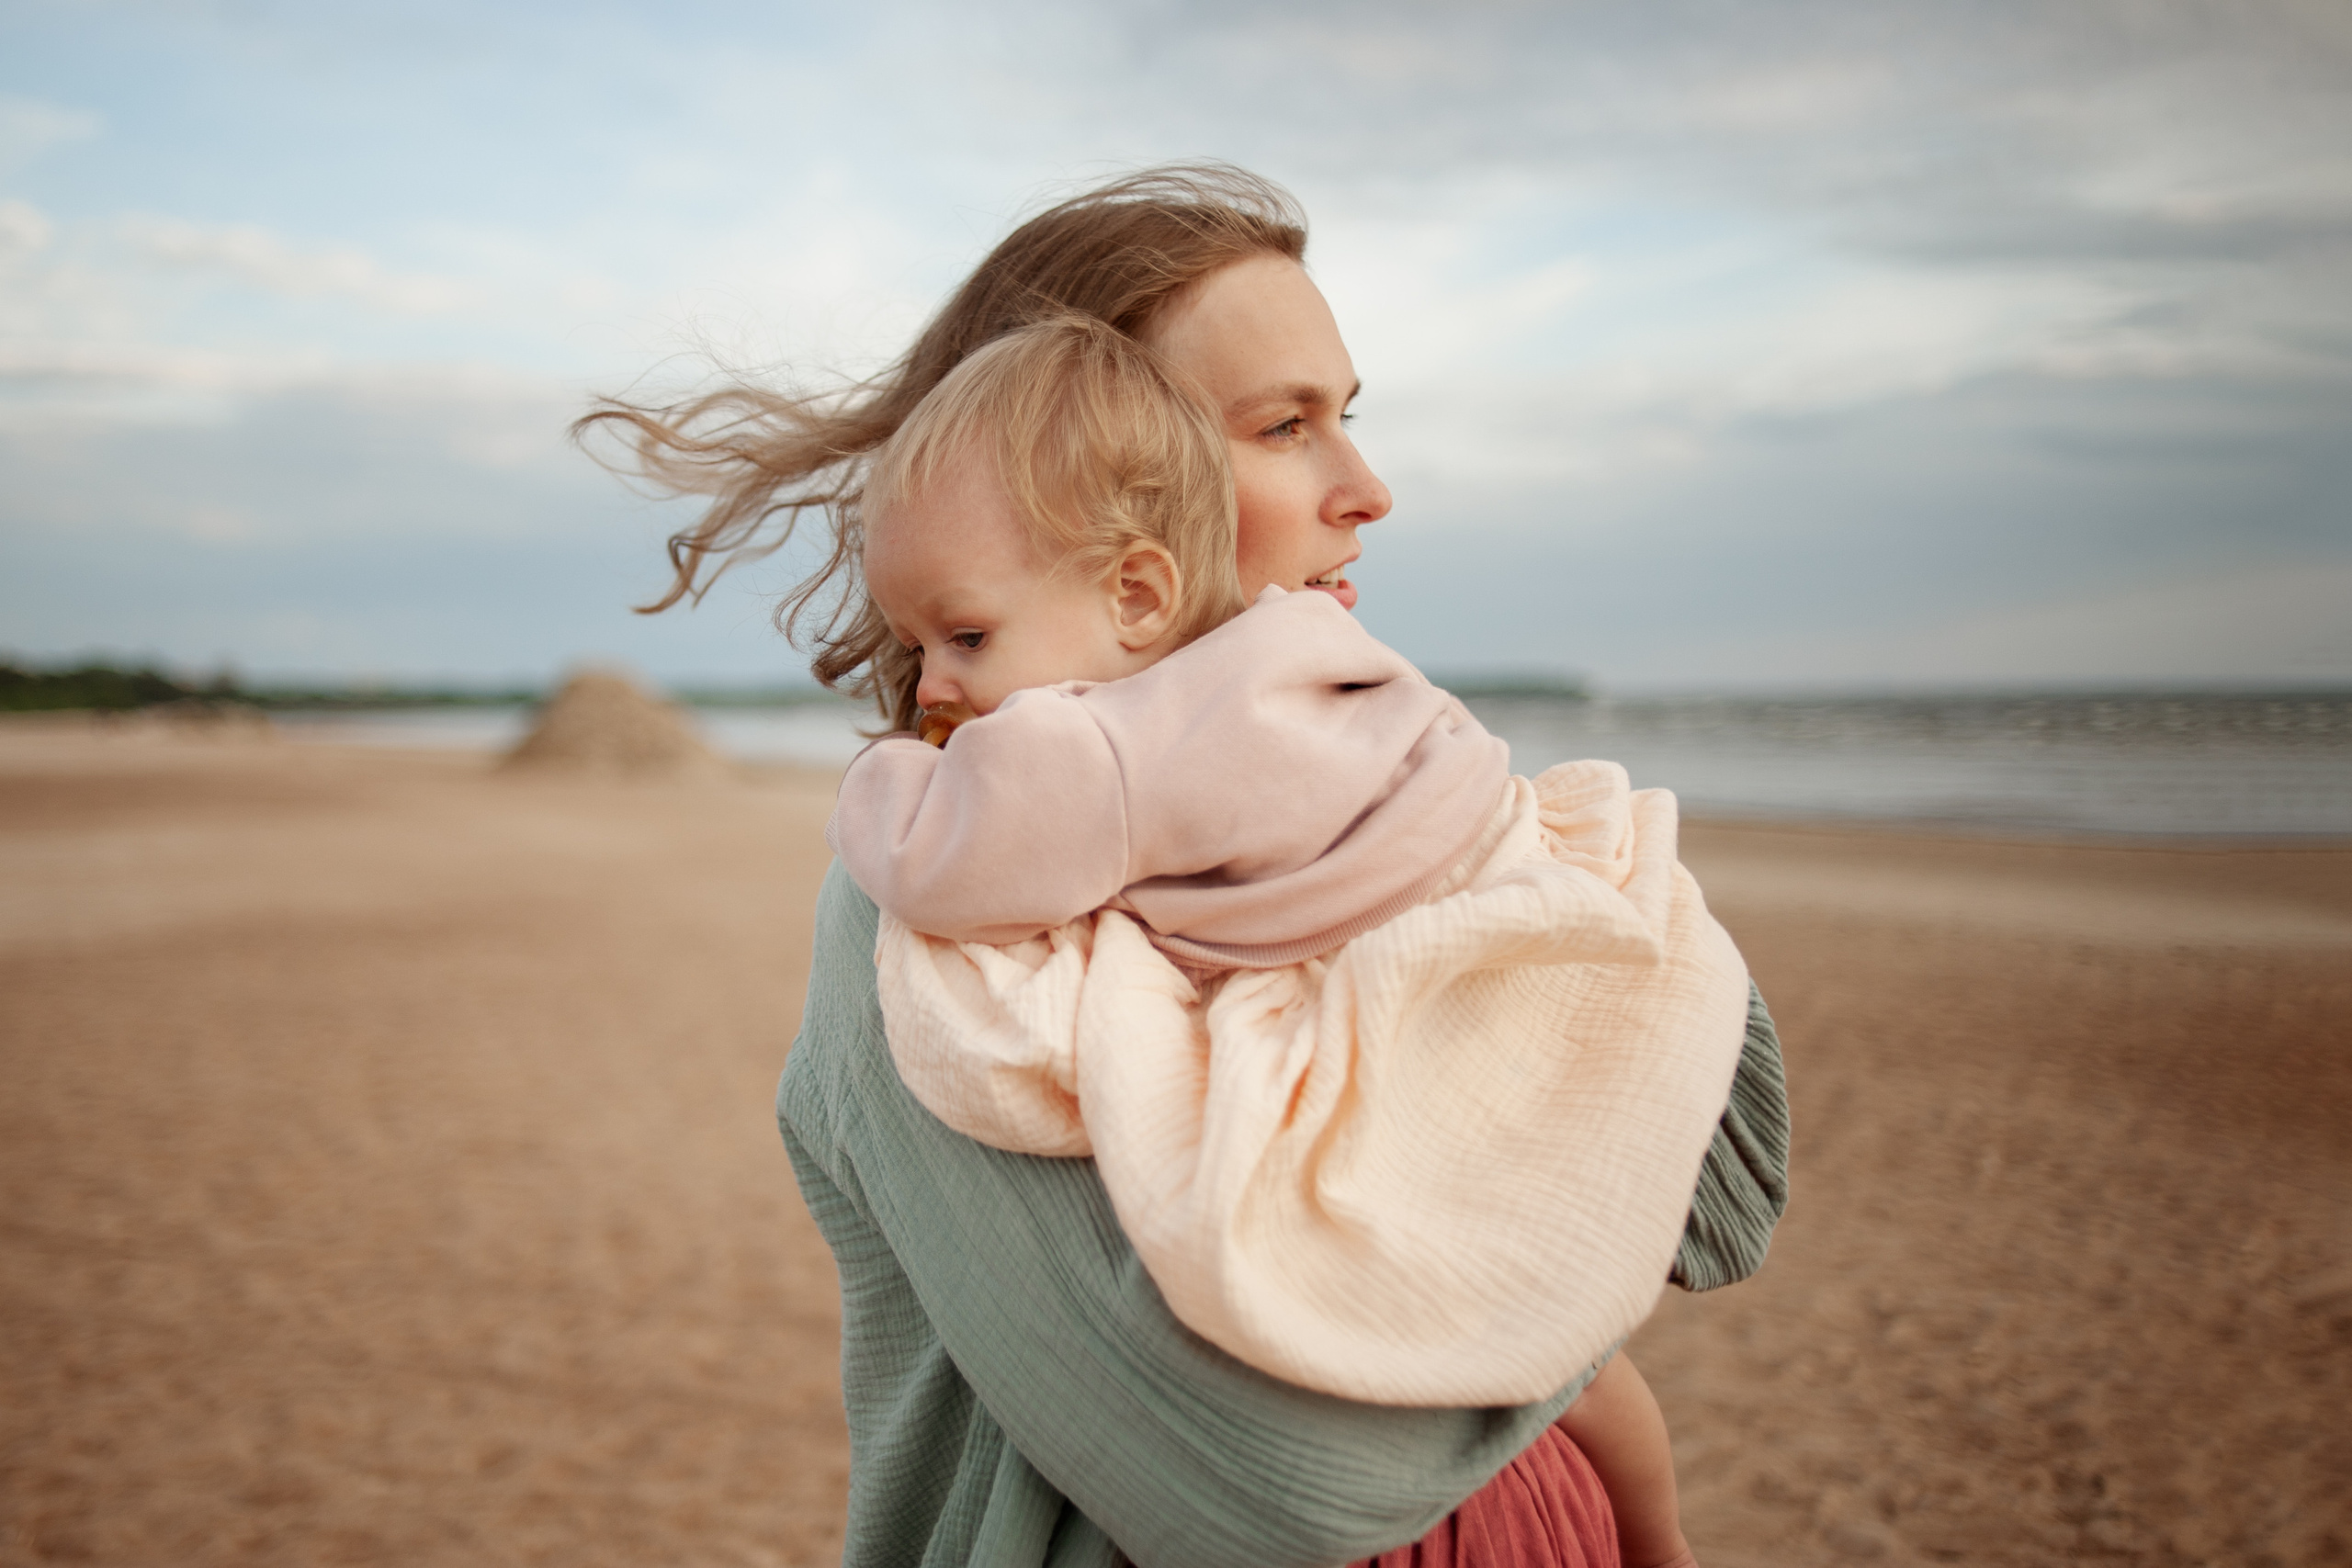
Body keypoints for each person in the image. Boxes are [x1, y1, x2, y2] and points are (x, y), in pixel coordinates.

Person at [579, 164, 1790, 1568]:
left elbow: (1725, 1194)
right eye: (1286, 426)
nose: (1369, 491)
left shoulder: (1346, 809)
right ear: (1068, 485)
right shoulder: (931, 920)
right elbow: (1282, 1492)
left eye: (1350, 418)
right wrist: (1538, 1298)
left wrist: (1403, 817)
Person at [824, 310, 1749, 1563]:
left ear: (1137, 584)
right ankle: (1665, 1536)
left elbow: (945, 859)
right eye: (1285, 425)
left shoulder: (1100, 745)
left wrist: (887, 779)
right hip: (1473, 973)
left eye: (966, 640)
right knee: (1585, 1371)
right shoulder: (1325, 664)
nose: (937, 684)